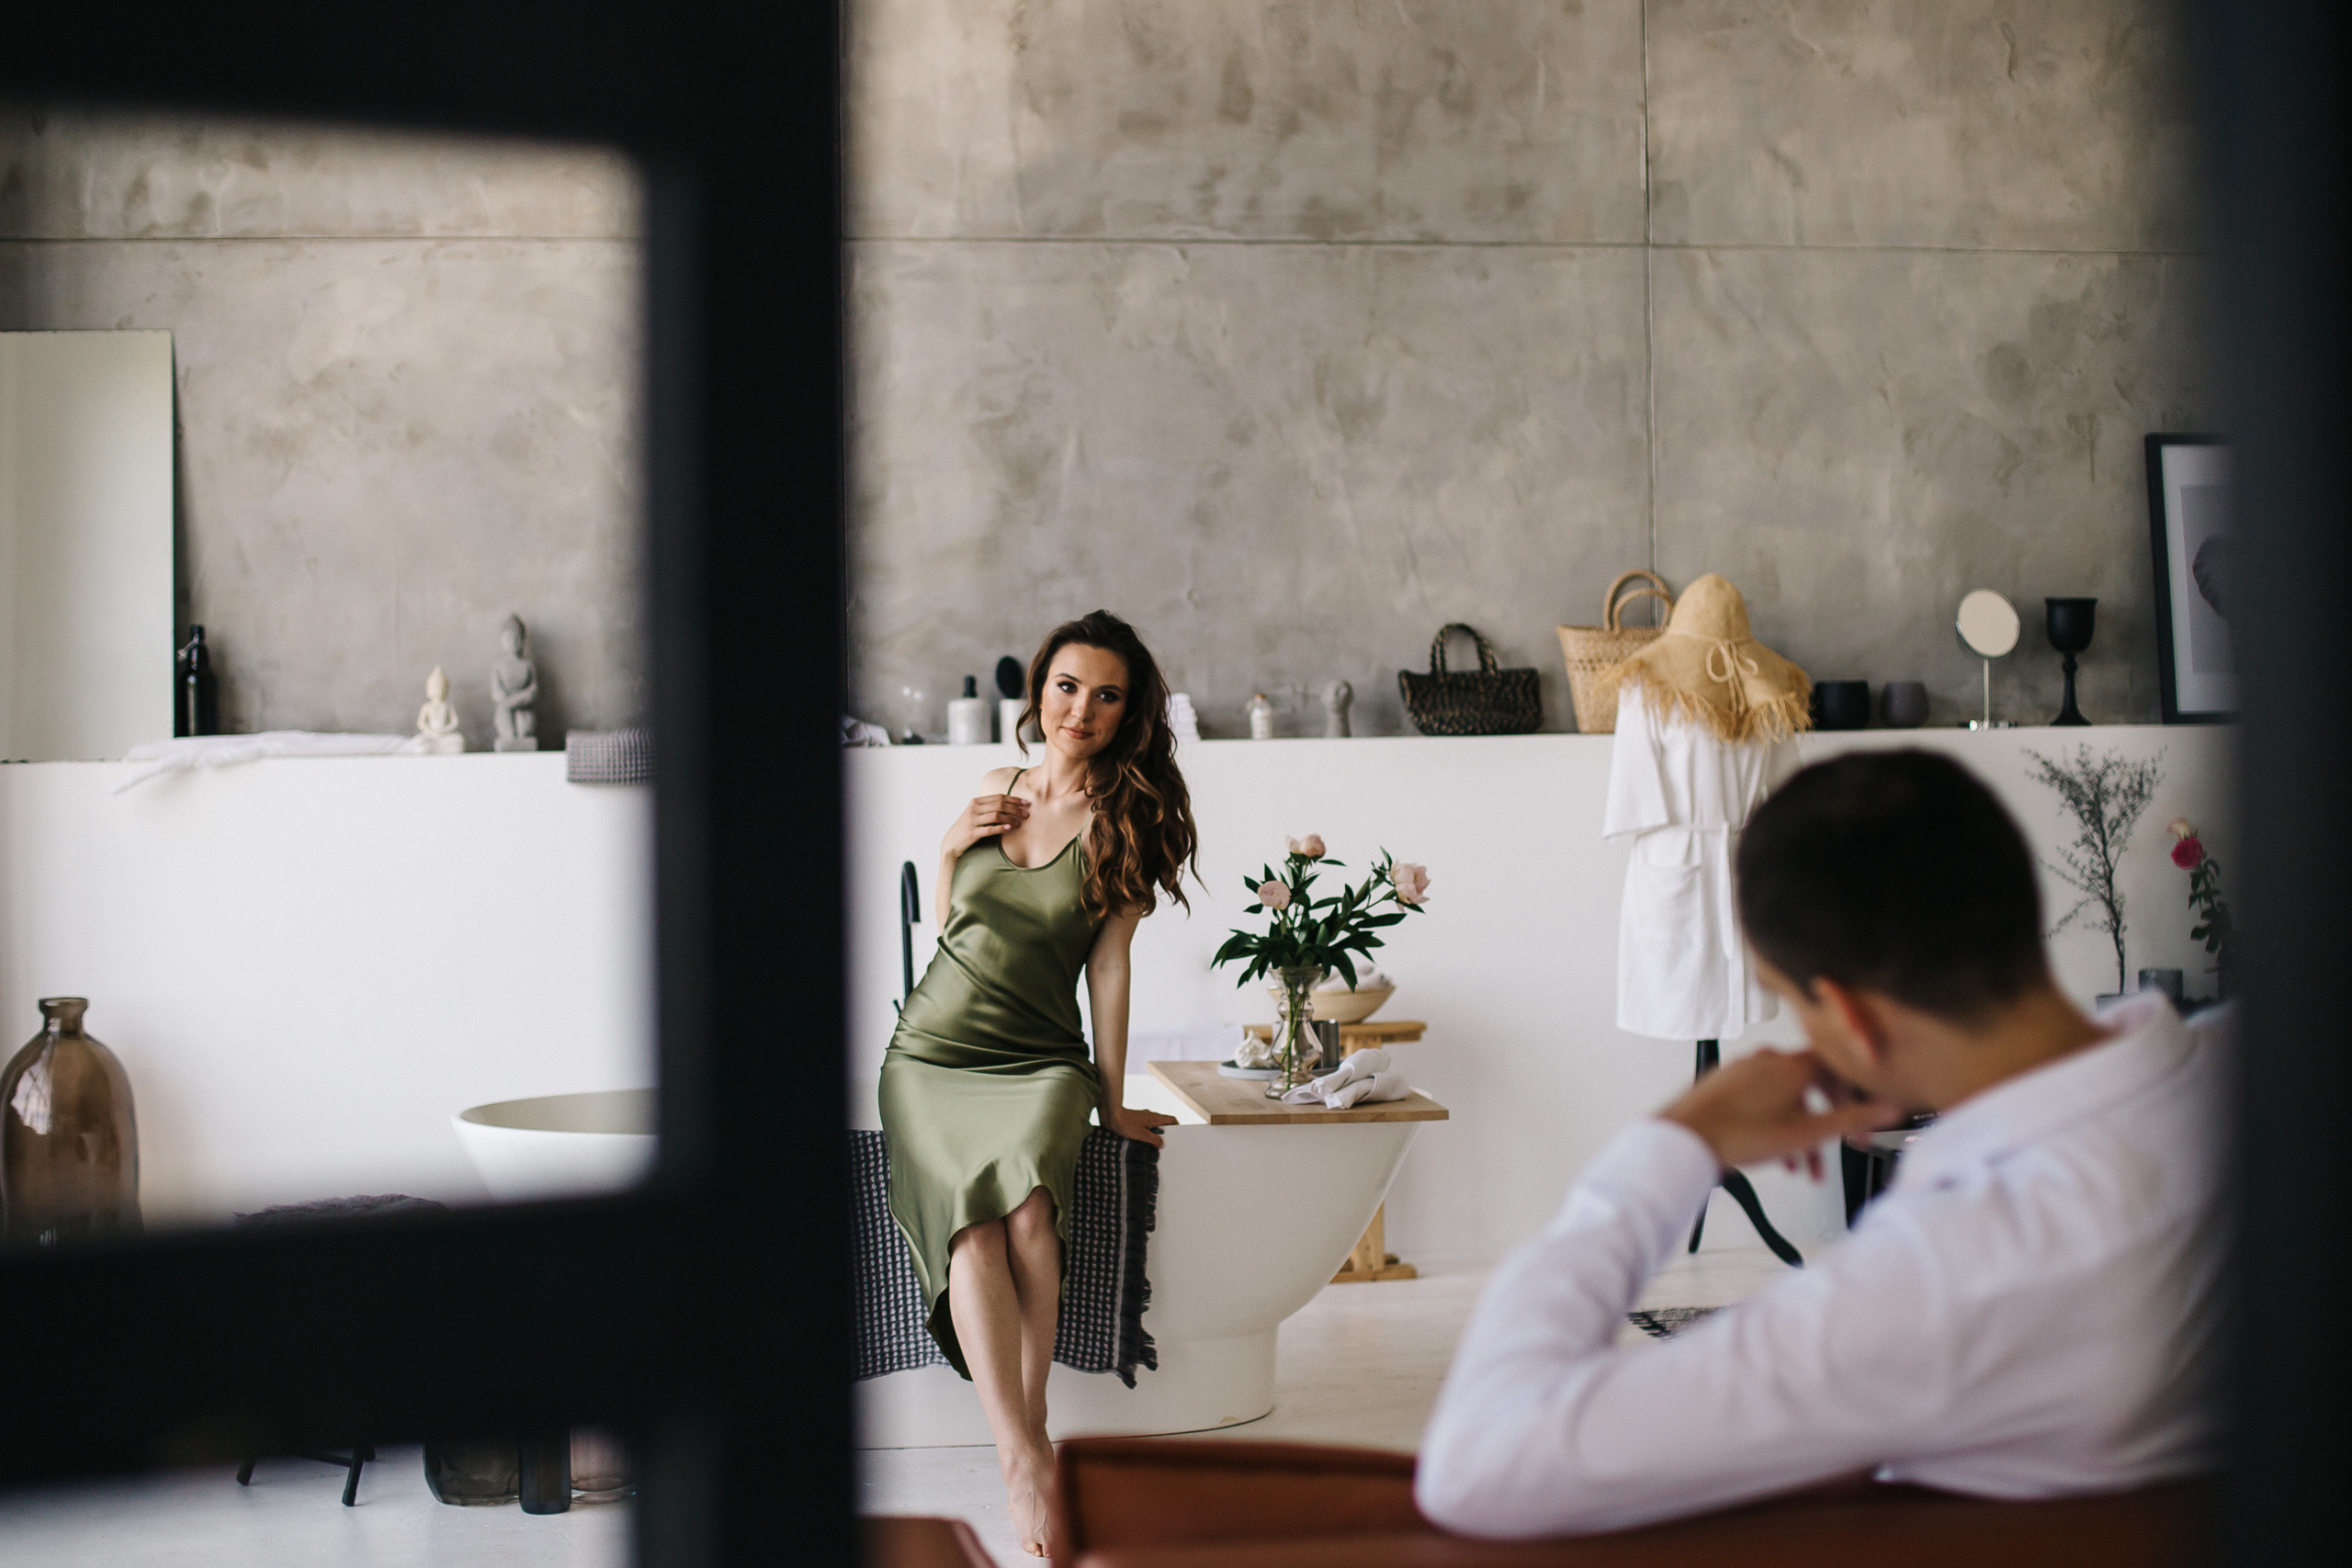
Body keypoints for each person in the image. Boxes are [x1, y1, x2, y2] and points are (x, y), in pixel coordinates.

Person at [1417, 750, 2226, 1538]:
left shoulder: (1946, 1279)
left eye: (1789, 1002)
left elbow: (1481, 1462)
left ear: (1848, 1014)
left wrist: (1679, 1140)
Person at [879, 610, 1193, 1557]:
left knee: (1025, 1216)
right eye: (1066, 686)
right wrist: (946, 847)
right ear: (1038, 691)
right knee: (975, 1224)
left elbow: (1107, 971)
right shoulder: (994, 788)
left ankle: (1033, 1418)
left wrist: (1109, 1098)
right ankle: (1023, 1457)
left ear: (1128, 712)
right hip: (930, 1053)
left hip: (1040, 1060)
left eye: (1106, 695)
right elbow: (952, 932)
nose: (1081, 709)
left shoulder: (1124, 825)